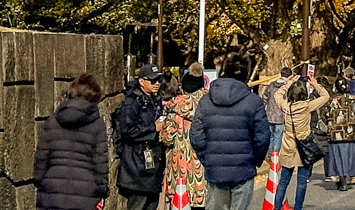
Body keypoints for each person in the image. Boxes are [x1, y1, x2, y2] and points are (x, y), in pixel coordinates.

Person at [191, 56, 270, 210]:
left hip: (215, 168)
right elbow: (262, 138)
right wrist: (254, 160)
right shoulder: (254, 102)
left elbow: (196, 136)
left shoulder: (206, 101)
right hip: (243, 168)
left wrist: (207, 159)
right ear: (246, 75)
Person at [35, 74, 110, 210]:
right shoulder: (97, 124)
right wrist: (102, 192)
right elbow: (100, 163)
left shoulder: (51, 121)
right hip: (85, 194)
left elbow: (41, 160)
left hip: (52, 192)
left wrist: (40, 182)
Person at [113, 64, 167, 210]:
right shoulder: (131, 103)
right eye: (153, 81)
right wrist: (153, 128)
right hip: (136, 164)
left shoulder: (155, 100)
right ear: (142, 82)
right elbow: (126, 131)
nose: (157, 84)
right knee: (138, 203)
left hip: (152, 162)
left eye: (159, 80)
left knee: (151, 203)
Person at [273, 73, 330, 210]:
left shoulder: (286, 107)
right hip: (304, 148)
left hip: (288, 147)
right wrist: (316, 84)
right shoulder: (307, 106)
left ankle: (276, 207)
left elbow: (277, 95)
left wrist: (288, 83)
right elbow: (326, 97)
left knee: (283, 181)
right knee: (302, 181)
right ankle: (298, 207)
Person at [159, 64, 209, 208]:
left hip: (179, 169)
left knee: (179, 202)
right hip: (202, 167)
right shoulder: (209, 106)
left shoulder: (175, 109)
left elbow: (167, 138)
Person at [324, 78, 355, 191]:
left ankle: (341, 179)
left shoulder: (331, 100)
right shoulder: (354, 100)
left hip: (336, 133)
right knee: (348, 156)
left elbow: (325, 114)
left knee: (337, 157)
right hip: (350, 133)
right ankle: (345, 178)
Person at [259, 67, 292, 156]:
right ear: (289, 76)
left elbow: (265, 97)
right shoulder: (287, 87)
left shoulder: (272, 85)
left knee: (271, 136)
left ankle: (269, 153)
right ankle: (275, 155)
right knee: (278, 137)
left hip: (269, 114)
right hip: (281, 116)